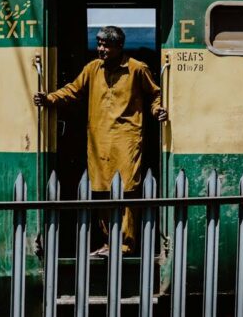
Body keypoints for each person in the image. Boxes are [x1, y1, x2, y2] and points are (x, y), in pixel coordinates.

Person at [34, 25, 167, 256]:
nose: (101, 49)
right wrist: (49, 98)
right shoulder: (92, 69)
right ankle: (108, 242)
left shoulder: (137, 68)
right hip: (98, 139)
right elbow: (72, 90)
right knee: (101, 190)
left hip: (127, 138)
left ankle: (126, 244)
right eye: (99, 44)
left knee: (127, 190)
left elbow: (154, 93)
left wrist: (157, 111)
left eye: (106, 45)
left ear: (119, 46)